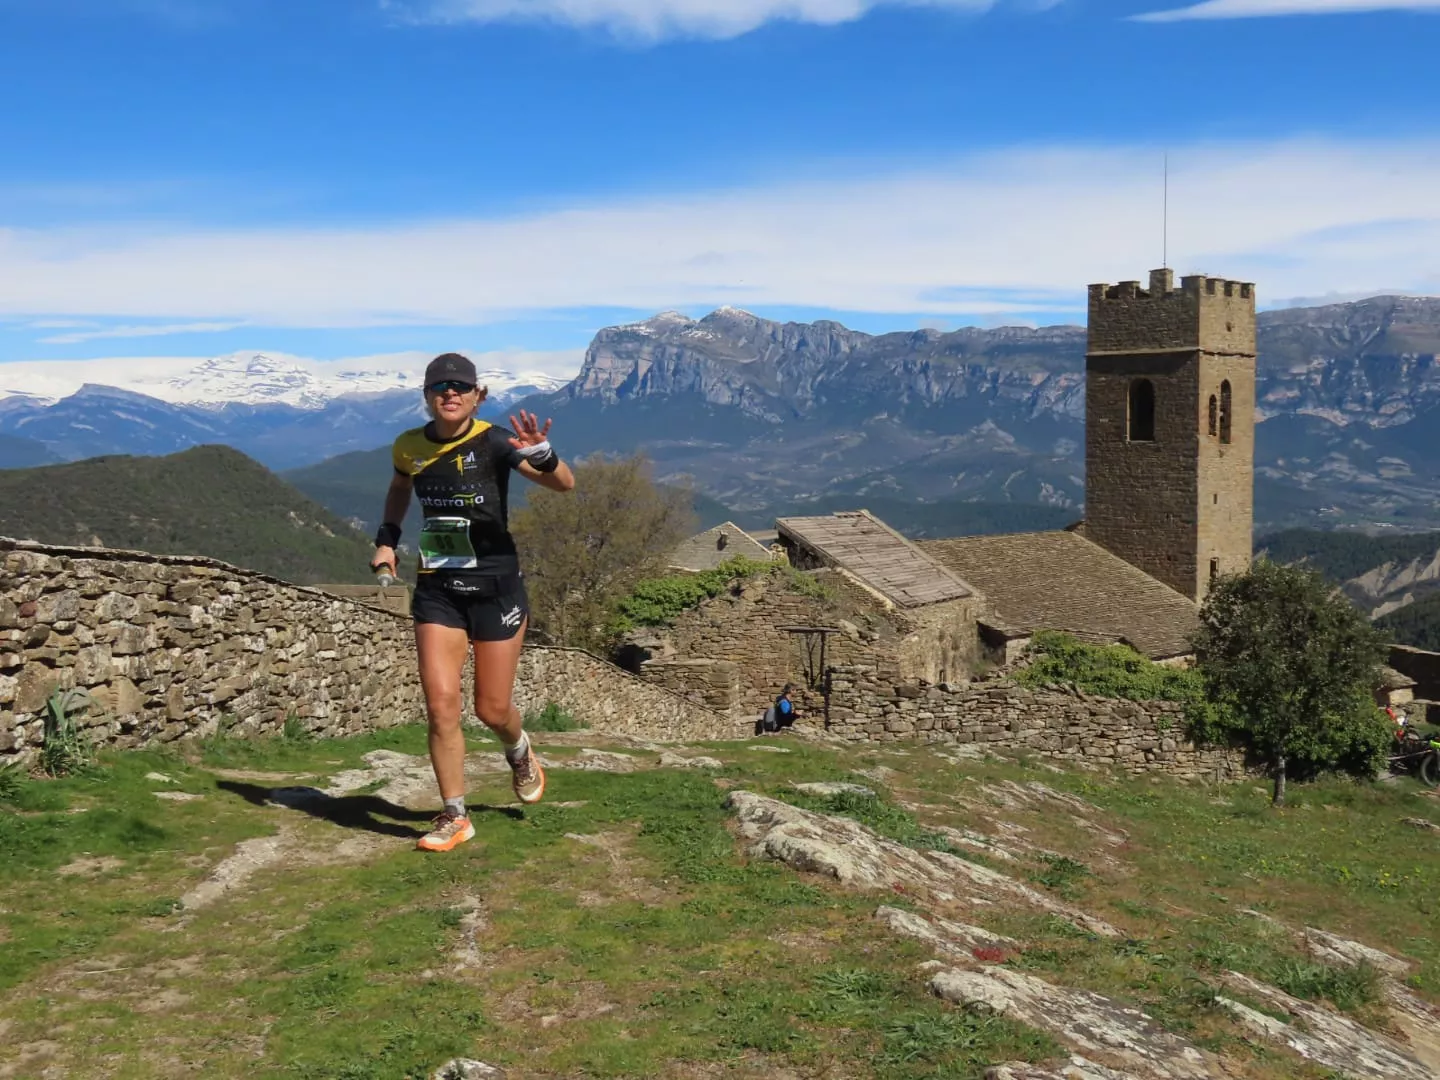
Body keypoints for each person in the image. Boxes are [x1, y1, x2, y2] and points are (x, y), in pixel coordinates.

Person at [371, 352, 575, 852]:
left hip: (496, 589)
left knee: (492, 708)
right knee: (441, 706)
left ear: (477, 395)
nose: (451, 393)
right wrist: (387, 539)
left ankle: (519, 749)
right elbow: (399, 487)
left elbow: (563, 484)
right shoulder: (408, 446)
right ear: (427, 395)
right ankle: (455, 815)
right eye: (440, 386)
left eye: (461, 386)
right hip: (438, 588)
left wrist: (544, 454)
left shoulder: (496, 441)